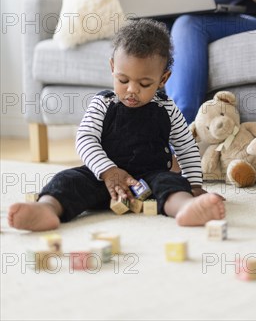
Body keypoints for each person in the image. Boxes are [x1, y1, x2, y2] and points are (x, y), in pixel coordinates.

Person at [8, 19, 225, 232]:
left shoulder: (167, 108)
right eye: (123, 80)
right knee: (66, 180)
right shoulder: (103, 103)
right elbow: (85, 138)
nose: (132, 90)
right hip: (101, 177)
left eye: (144, 84)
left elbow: (186, 147)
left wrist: (194, 185)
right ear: (113, 67)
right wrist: (108, 171)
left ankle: (186, 208)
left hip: (149, 179)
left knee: (172, 183)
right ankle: (46, 209)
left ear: (163, 79)